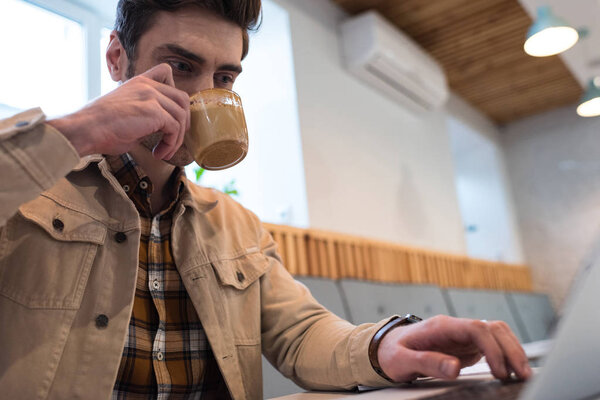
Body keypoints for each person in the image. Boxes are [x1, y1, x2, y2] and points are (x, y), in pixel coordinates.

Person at [0, 0, 531, 399]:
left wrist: (384, 346)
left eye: (225, 76)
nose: (202, 95)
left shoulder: (236, 225)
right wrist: (77, 131)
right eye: (181, 67)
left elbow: (301, 335)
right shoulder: (32, 188)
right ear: (117, 58)